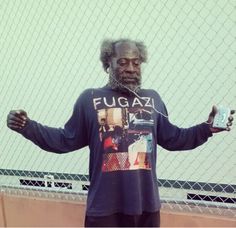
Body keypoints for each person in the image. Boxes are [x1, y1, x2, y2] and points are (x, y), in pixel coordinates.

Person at [7, 39, 234, 227]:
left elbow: (174, 138)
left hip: (146, 207)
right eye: (123, 62)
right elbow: (64, 140)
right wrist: (27, 127)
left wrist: (207, 128)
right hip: (105, 209)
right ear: (108, 64)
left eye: (136, 63)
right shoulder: (90, 99)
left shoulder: (152, 99)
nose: (131, 69)